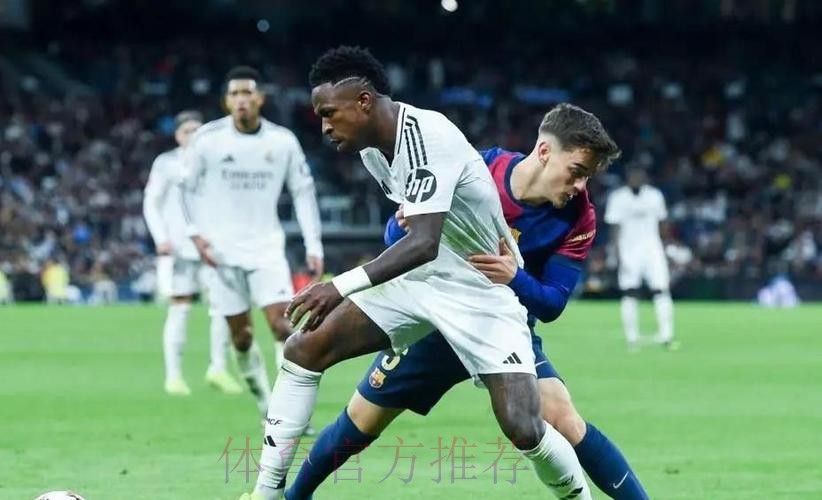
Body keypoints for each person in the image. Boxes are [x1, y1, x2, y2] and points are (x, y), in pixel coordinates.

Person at [241, 47, 594, 500]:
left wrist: (339, 287)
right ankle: (267, 493)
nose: (325, 127)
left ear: (363, 101)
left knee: (524, 427)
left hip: (481, 292)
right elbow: (411, 234)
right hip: (422, 281)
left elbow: (423, 240)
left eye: (329, 113)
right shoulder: (372, 151)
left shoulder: (429, 134)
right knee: (304, 347)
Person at [288, 106, 648, 500]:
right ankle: (292, 496)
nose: (580, 186)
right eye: (576, 171)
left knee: (564, 420)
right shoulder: (476, 169)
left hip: (501, 327)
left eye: (587, 176)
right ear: (545, 151)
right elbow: (399, 239)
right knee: (361, 420)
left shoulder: (580, 217)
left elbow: (552, 304)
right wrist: (402, 223)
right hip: (433, 319)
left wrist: (515, 277)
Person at [181, 67, 324, 418]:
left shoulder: (282, 141)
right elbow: (185, 189)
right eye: (235, 94)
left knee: (282, 327)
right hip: (221, 254)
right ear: (226, 102)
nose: (241, 100)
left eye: (247, 93)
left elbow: (303, 192)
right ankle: (264, 404)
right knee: (242, 337)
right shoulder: (208, 139)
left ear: (260, 98)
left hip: (266, 249)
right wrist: (195, 234)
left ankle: (286, 411)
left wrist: (313, 245)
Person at [143, 110, 242, 396]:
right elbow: (151, 202)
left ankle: (218, 369)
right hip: (179, 248)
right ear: (177, 135)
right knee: (180, 308)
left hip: (213, 248)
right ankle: (173, 376)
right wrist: (161, 238)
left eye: (198, 131)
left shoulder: (218, 161)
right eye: (187, 131)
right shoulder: (166, 164)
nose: (193, 136)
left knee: (223, 308)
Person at [604, 168, 677, 351]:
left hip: (653, 249)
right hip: (629, 251)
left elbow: (662, 223)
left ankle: (666, 335)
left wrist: (666, 247)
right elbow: (614, 228)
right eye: (633, 176)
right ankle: (632, 337)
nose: (636, 178)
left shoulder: (654, 196)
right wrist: (616, 253)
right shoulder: (618, 197)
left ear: (644, 177)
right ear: (628, 177)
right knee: (630, 292)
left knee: (661, 290)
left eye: (639, 176)